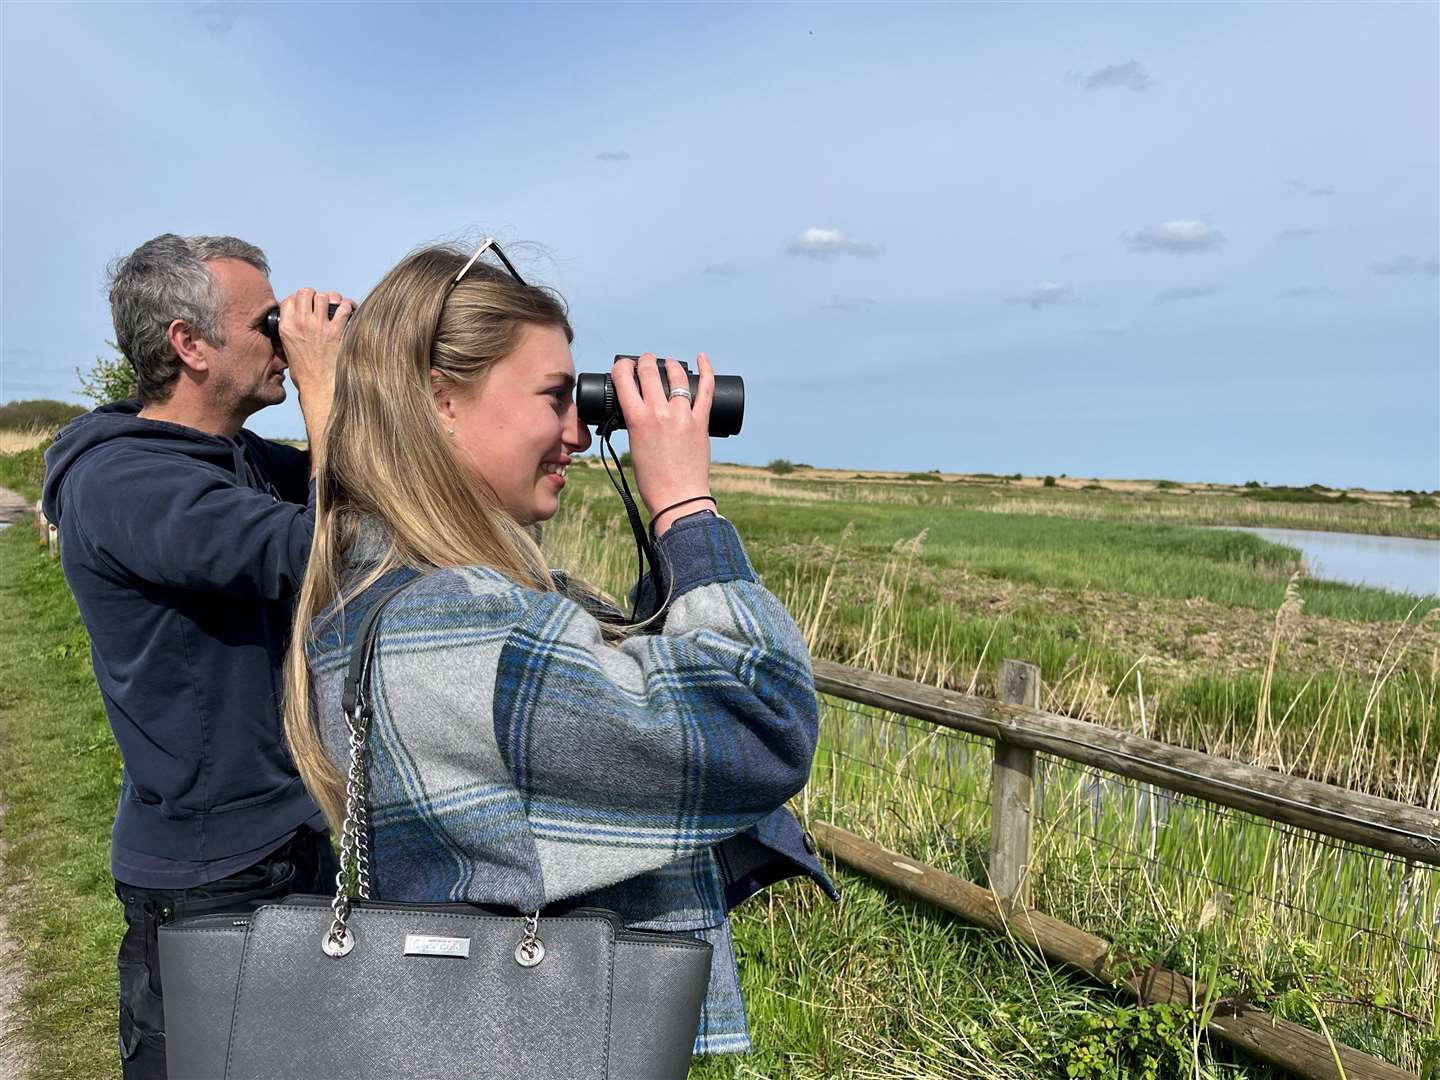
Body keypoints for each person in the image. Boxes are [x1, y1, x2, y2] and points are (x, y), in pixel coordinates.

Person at [283, 239, 837, 1057]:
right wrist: (684, 504)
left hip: (463, 1033)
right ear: (441, 400)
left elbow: (645, 669)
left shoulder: (369, 593)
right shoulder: (466, 628)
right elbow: (760, 722)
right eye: (555, 397)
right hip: (555, 1041)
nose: (579, 431)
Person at [40, 233, 354, 1079]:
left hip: (283, 838)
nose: (285, 334)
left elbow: (365, 487)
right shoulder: (127, 485)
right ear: (189, 342)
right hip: (208, 874)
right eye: (268, 320)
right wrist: (321, 381)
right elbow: (328, 551)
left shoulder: (235, 459)